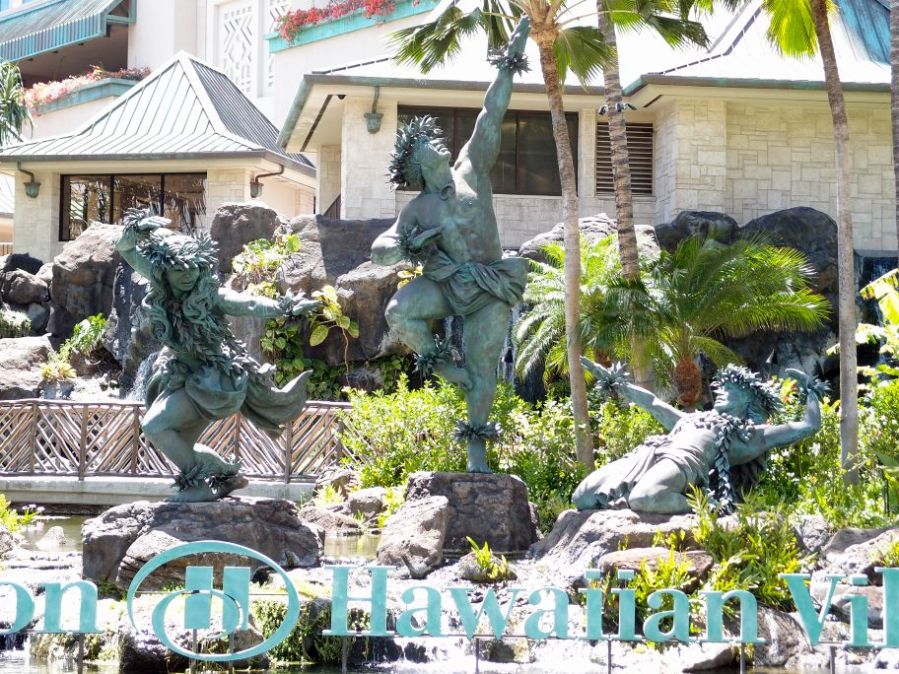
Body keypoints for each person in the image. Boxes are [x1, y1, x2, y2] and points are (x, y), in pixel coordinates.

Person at [371, 17, 531, 473]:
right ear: (420, 166)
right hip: (446, 284)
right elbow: (380, 249)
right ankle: (441, 366)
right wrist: (407, 244)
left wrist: (508, 63)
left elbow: (491, 114)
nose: (435, 141)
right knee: (398, 311)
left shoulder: (472, 167)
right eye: (426, 143)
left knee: (483, 370)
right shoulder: (418, 208)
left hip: (490, 284)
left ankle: (476, 448)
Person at [117, 210, 320, 501]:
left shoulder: (210, 296)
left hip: (210, 380)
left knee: (154, 426)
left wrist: (283, 307)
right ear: (164, 271)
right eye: (179, 270)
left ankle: (200, 487)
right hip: (180, 375)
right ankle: (227, 476)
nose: (187, 275)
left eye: (193, 269)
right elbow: (126, 249)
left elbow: (248, 303)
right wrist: (137, 228)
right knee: (180, 443)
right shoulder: (163, 286)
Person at [573, 357, 825, 514]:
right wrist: (616, 382)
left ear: (749, 399)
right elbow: (652, 402)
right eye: (722, 387)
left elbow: (808, 425)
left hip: (684, 462)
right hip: (648, 454)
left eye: (731, 389)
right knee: (582, 497)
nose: (721, 391)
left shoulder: (747, 435)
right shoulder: (692, 418)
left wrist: (811, 391)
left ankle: (705, 505)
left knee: (644, 497)